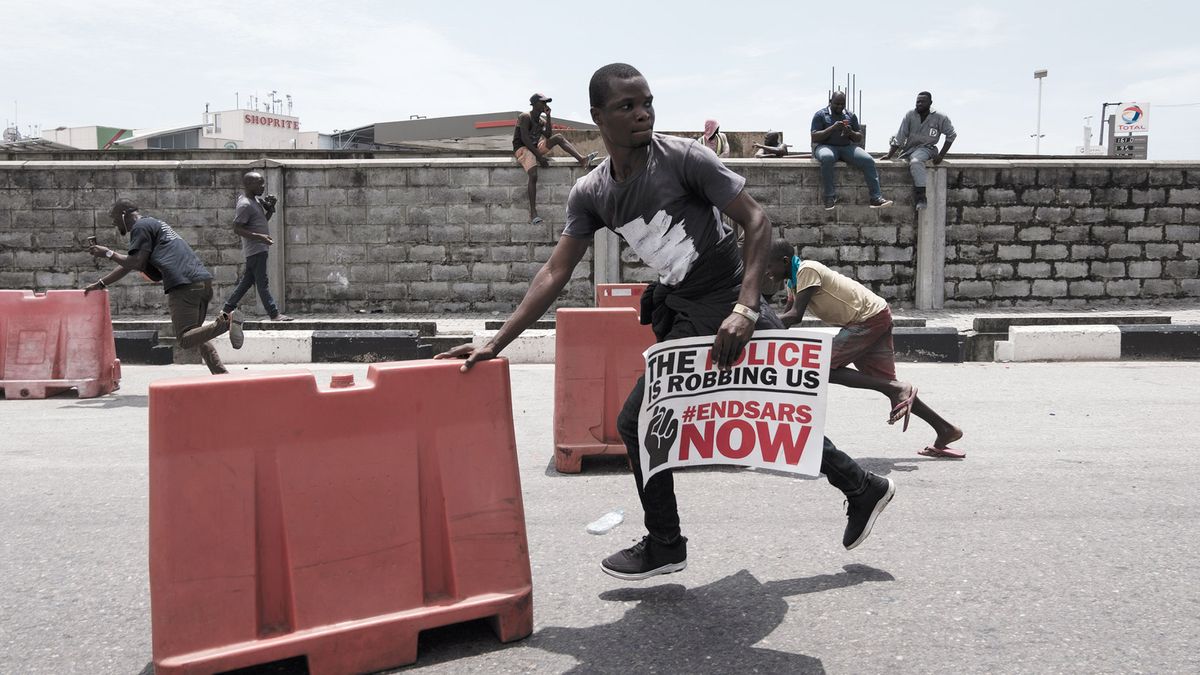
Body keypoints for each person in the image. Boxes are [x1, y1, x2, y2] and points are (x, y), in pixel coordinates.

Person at [439, 63, 895, 582]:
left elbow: (757, 222)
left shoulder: (684, 158)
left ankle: (670, 541)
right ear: (597, 117)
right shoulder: (592, 192)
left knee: (762, 415)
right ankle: (854, 489)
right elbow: (555, 271)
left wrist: (745, 310)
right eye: (626, 106)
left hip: (729, 306)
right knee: (708, 416)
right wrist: (496, 342)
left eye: (647, 102)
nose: (642, 114)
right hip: (687, 313)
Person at [765, 240, 965, 458]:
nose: (766, 272)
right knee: (891, 388)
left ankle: (900, 390)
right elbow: (786, 320)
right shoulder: (793, 281)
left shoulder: (807, 270)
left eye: (768, 266)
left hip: (867, 319)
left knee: (820, 367)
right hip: (873, 316)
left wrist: (754, 323)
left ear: (785, 261)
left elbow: (795, 315)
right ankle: (945, 430)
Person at [83, 198, 243, 375]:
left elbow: (135, 262)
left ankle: (226, 323)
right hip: (202, 283)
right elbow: (129, 265)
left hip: (183, 285)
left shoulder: (140, 227)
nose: (114, 224)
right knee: (197, 335)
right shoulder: (154, 224)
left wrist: (107, 252)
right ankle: (221, 374)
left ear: (123, 214)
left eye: (114, 219)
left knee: (184, 339)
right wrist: (101, 283)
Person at [514, 93, 598, 225]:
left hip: (534, 147)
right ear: (535, 104)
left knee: (558, 137)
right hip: (522, 149)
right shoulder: (525, 117)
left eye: (546, 103)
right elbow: (524, 139)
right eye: (543, 102)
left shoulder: (540, 120)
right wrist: (539, 157)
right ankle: (533, 213)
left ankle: (582, 159)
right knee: (533, 174)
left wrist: (548, 117)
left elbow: (548, 135)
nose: (545, 105)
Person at [220, 171, 292, 321]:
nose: (263, 186)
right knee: (262, 283)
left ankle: (226, 310)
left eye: (263, 182)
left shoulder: (256, 201)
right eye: (259, 183)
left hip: (260, 248)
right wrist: (260, 237)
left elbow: (262, 221)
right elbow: (237, 228)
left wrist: (271, 208)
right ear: (249, 185)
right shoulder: (245, 204)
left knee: (247, 282)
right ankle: (274, 314)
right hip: (256, 249)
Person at [810, 92, 892, 210]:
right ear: (830, 101)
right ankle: (829, 197)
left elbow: (858, 137)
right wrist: (832, 128)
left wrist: (851, 133)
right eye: (836, 104)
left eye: (842, 104)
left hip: (846, 147)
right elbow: (814, 137)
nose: (839, 106)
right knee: (827, 158)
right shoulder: (820, 115)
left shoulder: (850, 115)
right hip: (825, 146)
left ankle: (876, 198)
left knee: (868, 160)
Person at [881, 91, 956, 209]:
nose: (919, 104)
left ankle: (921, 197)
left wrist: (941, 155)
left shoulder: (940, 117)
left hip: (927, 148)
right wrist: (889, 155)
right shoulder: (910, 115)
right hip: (909, 149)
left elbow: (951, 135)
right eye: (917, 101)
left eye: (922, 102)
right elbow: (900, 135)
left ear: (930, 103)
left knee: (916, 161)